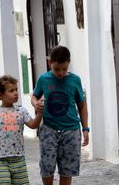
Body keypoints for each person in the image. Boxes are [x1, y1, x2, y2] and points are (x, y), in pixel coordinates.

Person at [31, 45, 89, 185]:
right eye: (57, 69)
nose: (61, 73)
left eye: (64, 69)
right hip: (49, 129)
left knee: (67, 169)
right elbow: (34, 96)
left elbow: (82, 105)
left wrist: (85, 128)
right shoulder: (44, 79)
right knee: (47, 166)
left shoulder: (75, 80)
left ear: (69, 63)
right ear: (50, 62)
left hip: (71, 130)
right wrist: (35, 103)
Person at [0, 75, 43, 185]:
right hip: (1, 159)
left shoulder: (21, 111)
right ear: (0, 95)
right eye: (11, 91)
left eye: (16, 89)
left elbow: (33, 125)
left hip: (19, 157)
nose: (16, 93)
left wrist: (39, 114)